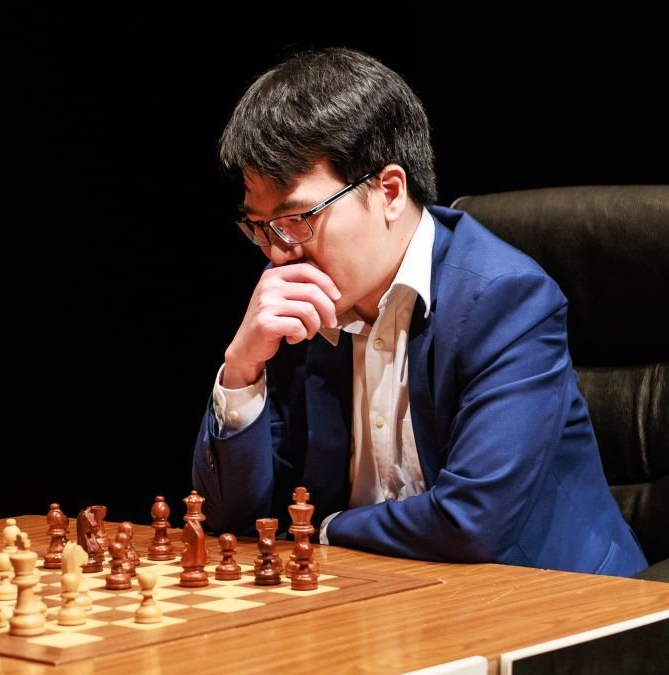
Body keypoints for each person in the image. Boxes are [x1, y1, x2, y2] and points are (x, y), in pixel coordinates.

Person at [192, 48, 646, 576]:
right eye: (260, 227)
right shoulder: (299, 300)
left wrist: (327, 527)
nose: (278, 252)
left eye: (297, 218)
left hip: (558, 603)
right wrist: (242, 368)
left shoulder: (507, 299)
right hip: (380, 594)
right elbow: (231, 520)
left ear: (388, 191)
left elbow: (472, 522)